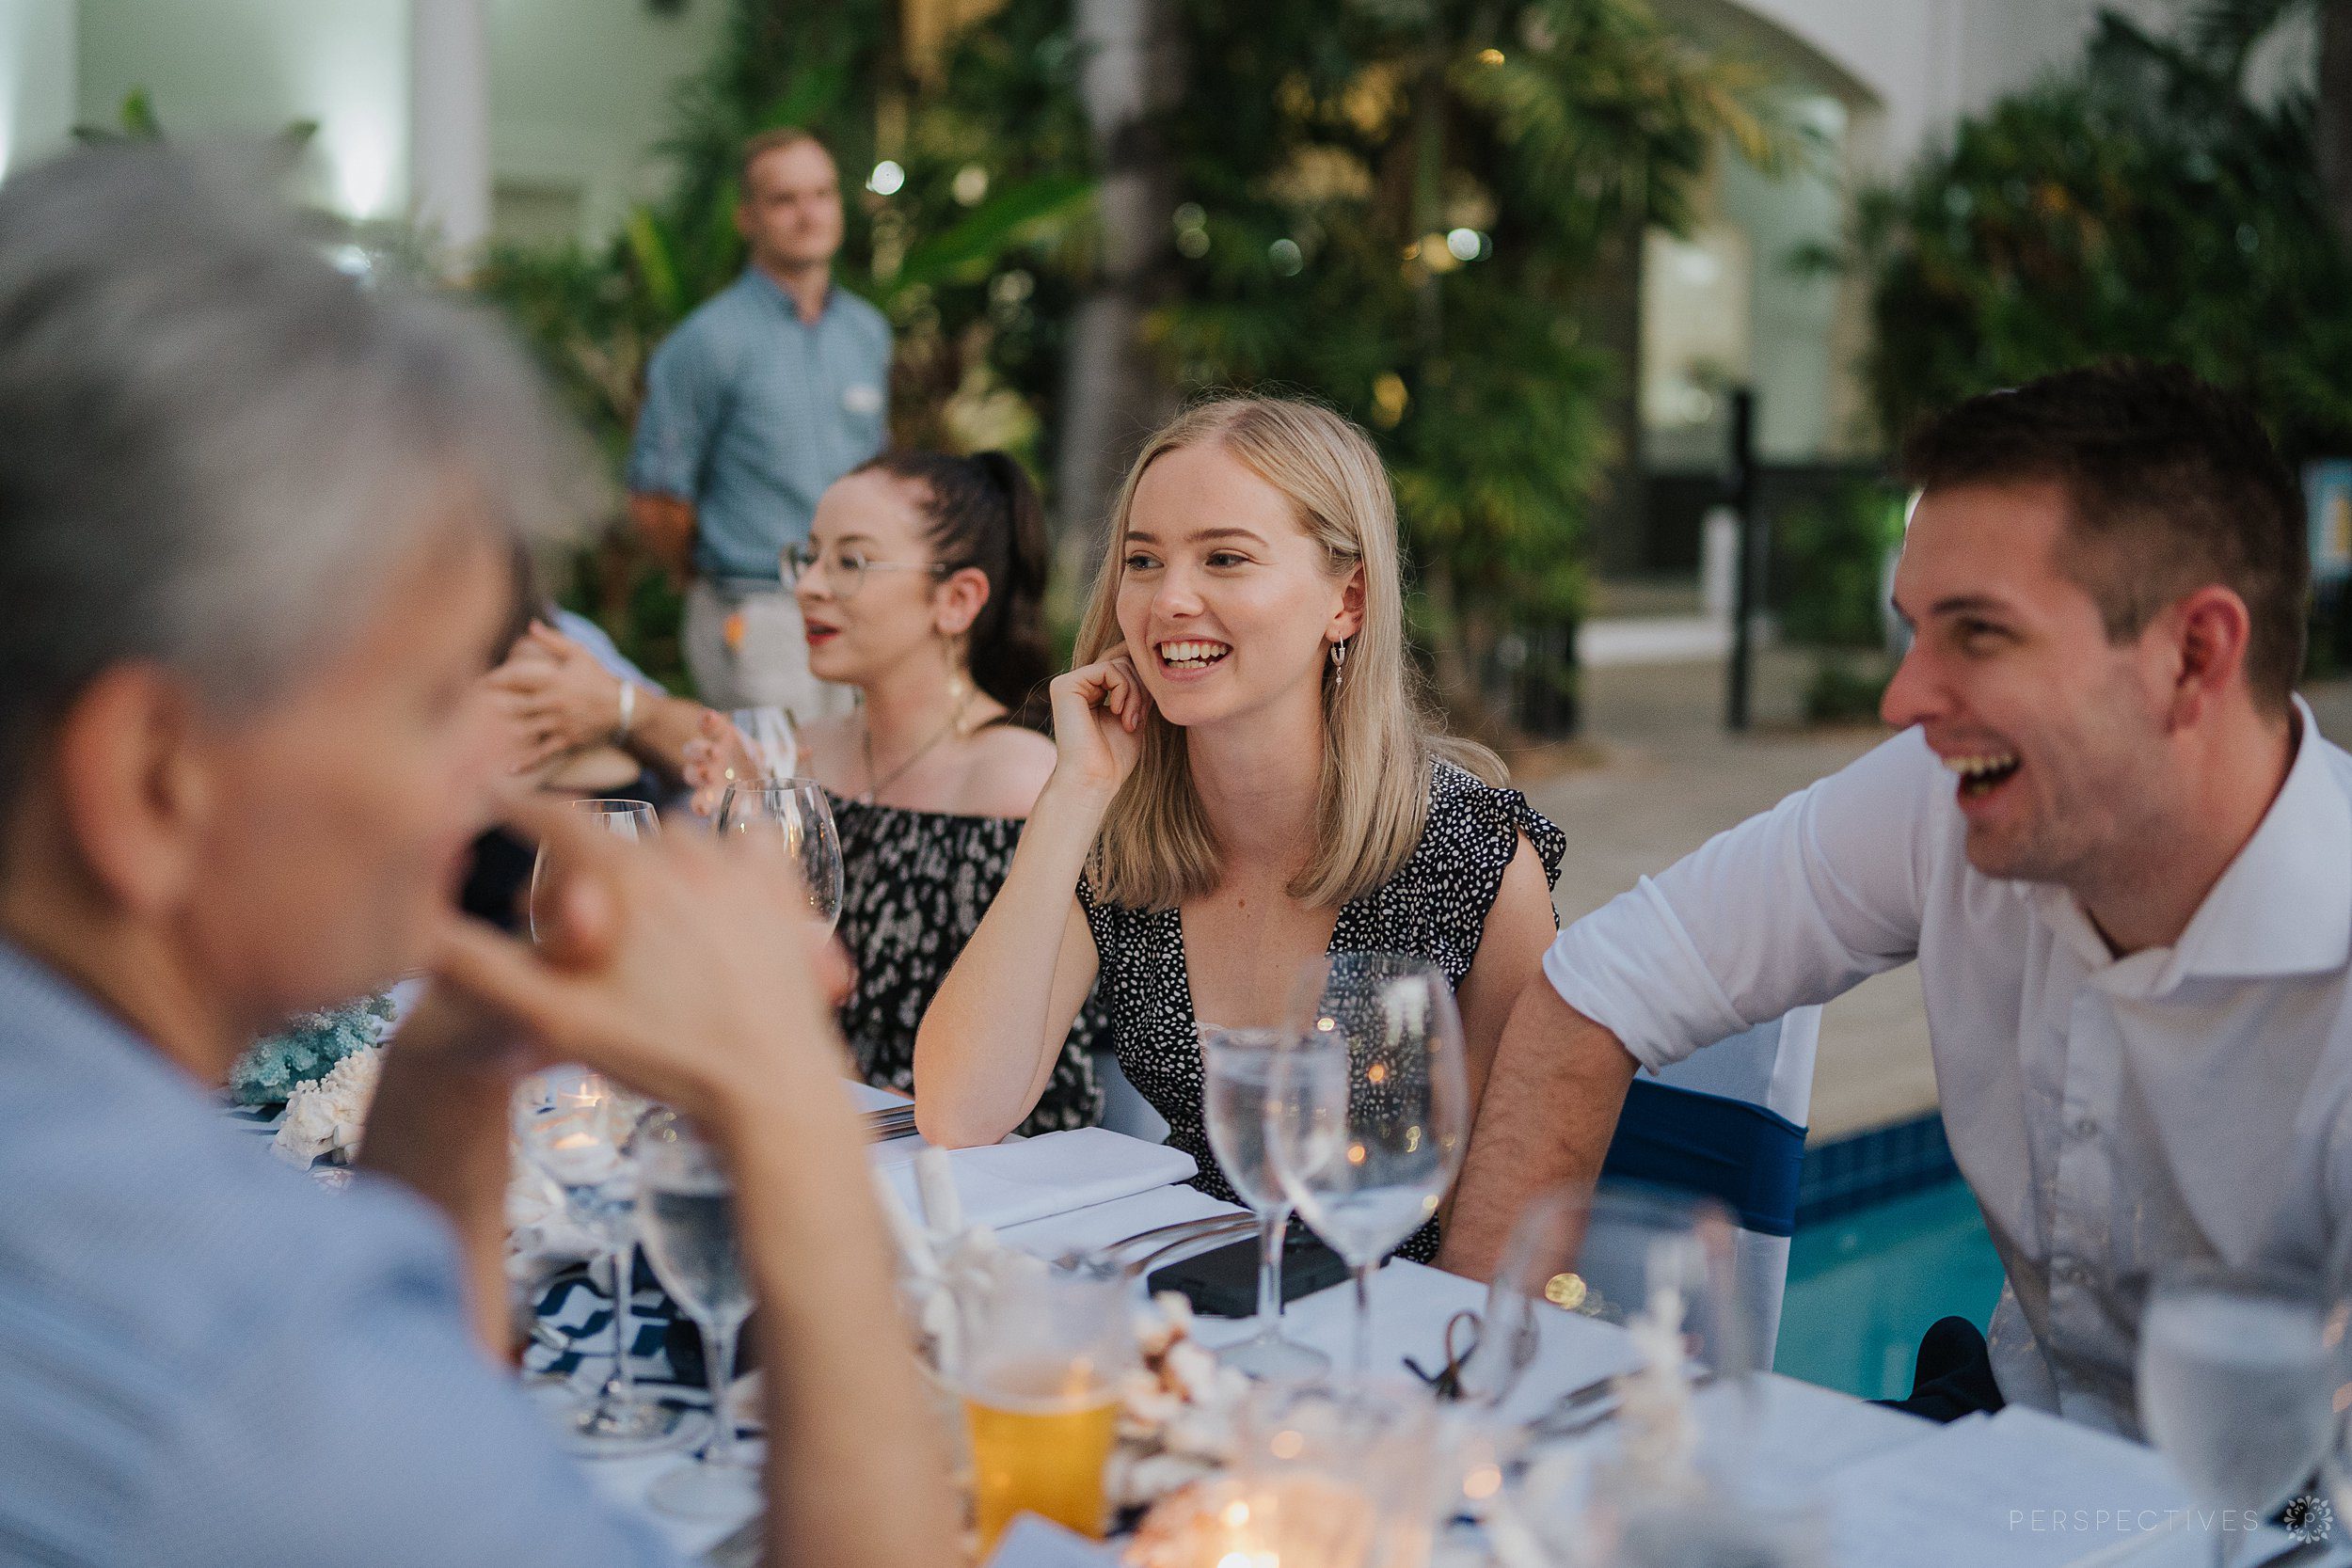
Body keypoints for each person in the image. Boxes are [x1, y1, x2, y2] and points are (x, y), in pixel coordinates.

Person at [0, 146, 955, 1568]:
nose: (489, 771)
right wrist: (792, 1115)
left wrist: (448, 1069)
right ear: (152, 778)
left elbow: (424, 1422)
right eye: (438, 694)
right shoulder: (231, 1361)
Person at [1439, 362, 2352, 1438]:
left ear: (2193, 655)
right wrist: (1473, 1415)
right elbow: (1592, 992)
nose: (1902, 697)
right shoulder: (1942, 796)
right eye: (1913, 628)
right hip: (2010, 1448)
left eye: (1977, 633)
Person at [916, 396, 1565, 1248]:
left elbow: (1512, 1217)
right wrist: (1074, 789)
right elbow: (959, 1110)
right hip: (1196, 1304)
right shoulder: (1122, 830)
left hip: (1396, 1323)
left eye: (1225, 558)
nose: (1168, 600)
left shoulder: (1470, 853)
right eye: (1142, 561)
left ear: (1348, 600)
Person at [504, 451, 1112, 1132]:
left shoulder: (1019, 779)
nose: (809, 586)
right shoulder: (803, 755)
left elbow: (1026, 1087)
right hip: (801, 1126)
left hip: (969, 1168)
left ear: (957, 599)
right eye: (809, 556)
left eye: (851, 562)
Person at [628, 127, 891, 718]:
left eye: (823, 194)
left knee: (851, 796)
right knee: (772, 795)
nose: (810, 214)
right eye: (785, 200)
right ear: (747, 217)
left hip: (858, 606)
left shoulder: (866, 333)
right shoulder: (705, 341)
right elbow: (656, 497)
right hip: (758, 609)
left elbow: (877, 469)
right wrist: (704, 579)